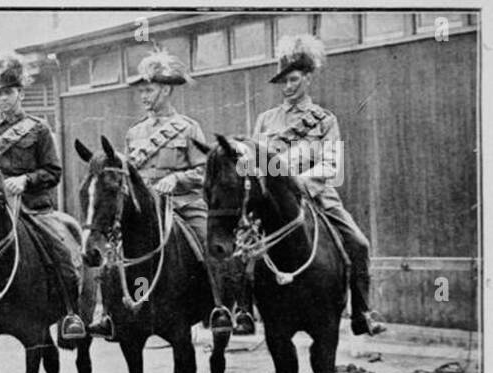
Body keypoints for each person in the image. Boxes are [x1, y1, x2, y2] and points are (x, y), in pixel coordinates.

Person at [251, 34, 385, 337]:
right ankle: (242, 312)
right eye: (283, 82)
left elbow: (331, 166)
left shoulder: (324, 119)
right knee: (242, 247)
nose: (288, 87)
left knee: (359, 244)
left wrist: (300, 184)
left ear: (308, 78)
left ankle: (362, 312)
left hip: (317, 195)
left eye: (294, 79)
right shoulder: (265, 121)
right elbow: (252, 164)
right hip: (273, 202)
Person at [122, 47, 241, 335]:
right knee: (113, 247)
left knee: (209, 246)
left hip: (183, 204)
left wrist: (176, 180)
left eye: (149, 90)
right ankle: (116, 313)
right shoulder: (135, 133)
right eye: (142, 92)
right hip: (146, 210)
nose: (144, 96)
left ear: (164, 90)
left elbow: (203, 172)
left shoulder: (188, 128)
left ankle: (218, 308)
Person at [0, 54, 87, 341]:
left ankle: (70, 314)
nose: (2, 98)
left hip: (33, 209)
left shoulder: (38, 129)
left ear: (20, 94)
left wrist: (25, 180)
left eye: (7, 93)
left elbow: (53, 171)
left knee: (63, 254)